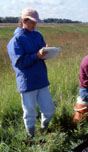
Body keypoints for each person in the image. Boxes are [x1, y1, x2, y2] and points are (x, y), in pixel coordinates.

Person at [7, 8, 55, 137]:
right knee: (30, 112)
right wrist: (37, 56)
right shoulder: (16, 40)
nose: (34, 25)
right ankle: (31, 137)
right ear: (23, 21)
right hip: (27, 81)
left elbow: (41, 52)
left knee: (49, 110)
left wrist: (47, 52)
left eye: (35, 22)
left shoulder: (37, 35)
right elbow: (19, 63)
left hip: (41, 79)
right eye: (32, 22)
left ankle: (44, 129)